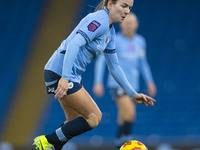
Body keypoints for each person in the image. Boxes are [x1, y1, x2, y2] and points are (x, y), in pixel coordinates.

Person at [33, 0, 156, 150]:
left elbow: (115, 67)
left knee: (75, 120)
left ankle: (51, 146)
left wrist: (133, 94)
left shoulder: (110, 32)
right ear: (110, 4)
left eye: (129, 7)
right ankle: (47, 141)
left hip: (69, 74)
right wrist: (65, 78)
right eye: (123, 6)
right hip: (61, 72)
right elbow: (74, 45)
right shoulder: (99, 20)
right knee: (94, 117)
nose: (127, 11)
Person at [93, 13, 157, 149]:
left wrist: (149, 81)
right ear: (121, 24)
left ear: (136, 24)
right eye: (126, 23)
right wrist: (98, 82)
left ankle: (119, 145)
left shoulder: (140, 41)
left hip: (133, 86)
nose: (129, 26)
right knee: (130, 114)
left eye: (132, 23)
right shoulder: (114, 40)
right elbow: (101, 61)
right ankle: (125, 144)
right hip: (118, 84)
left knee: (123, 118)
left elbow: (143, 63)